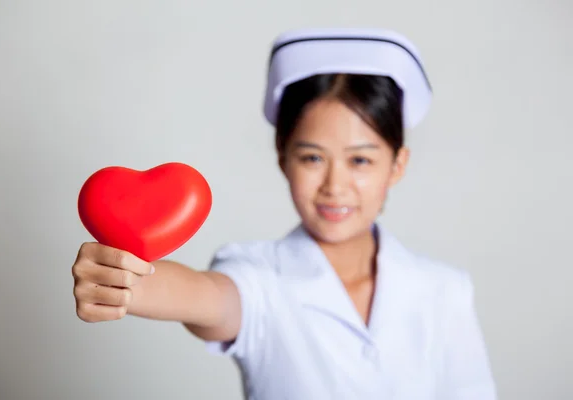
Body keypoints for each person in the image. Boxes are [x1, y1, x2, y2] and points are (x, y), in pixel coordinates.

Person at [72, 28, 497, 399]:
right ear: (283, 159)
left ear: (397, 165)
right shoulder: (257, 276)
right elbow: (206, 297)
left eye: (361, 161)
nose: (335, 185)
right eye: (312, 158)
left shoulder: (445, 291)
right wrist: (125, 285)